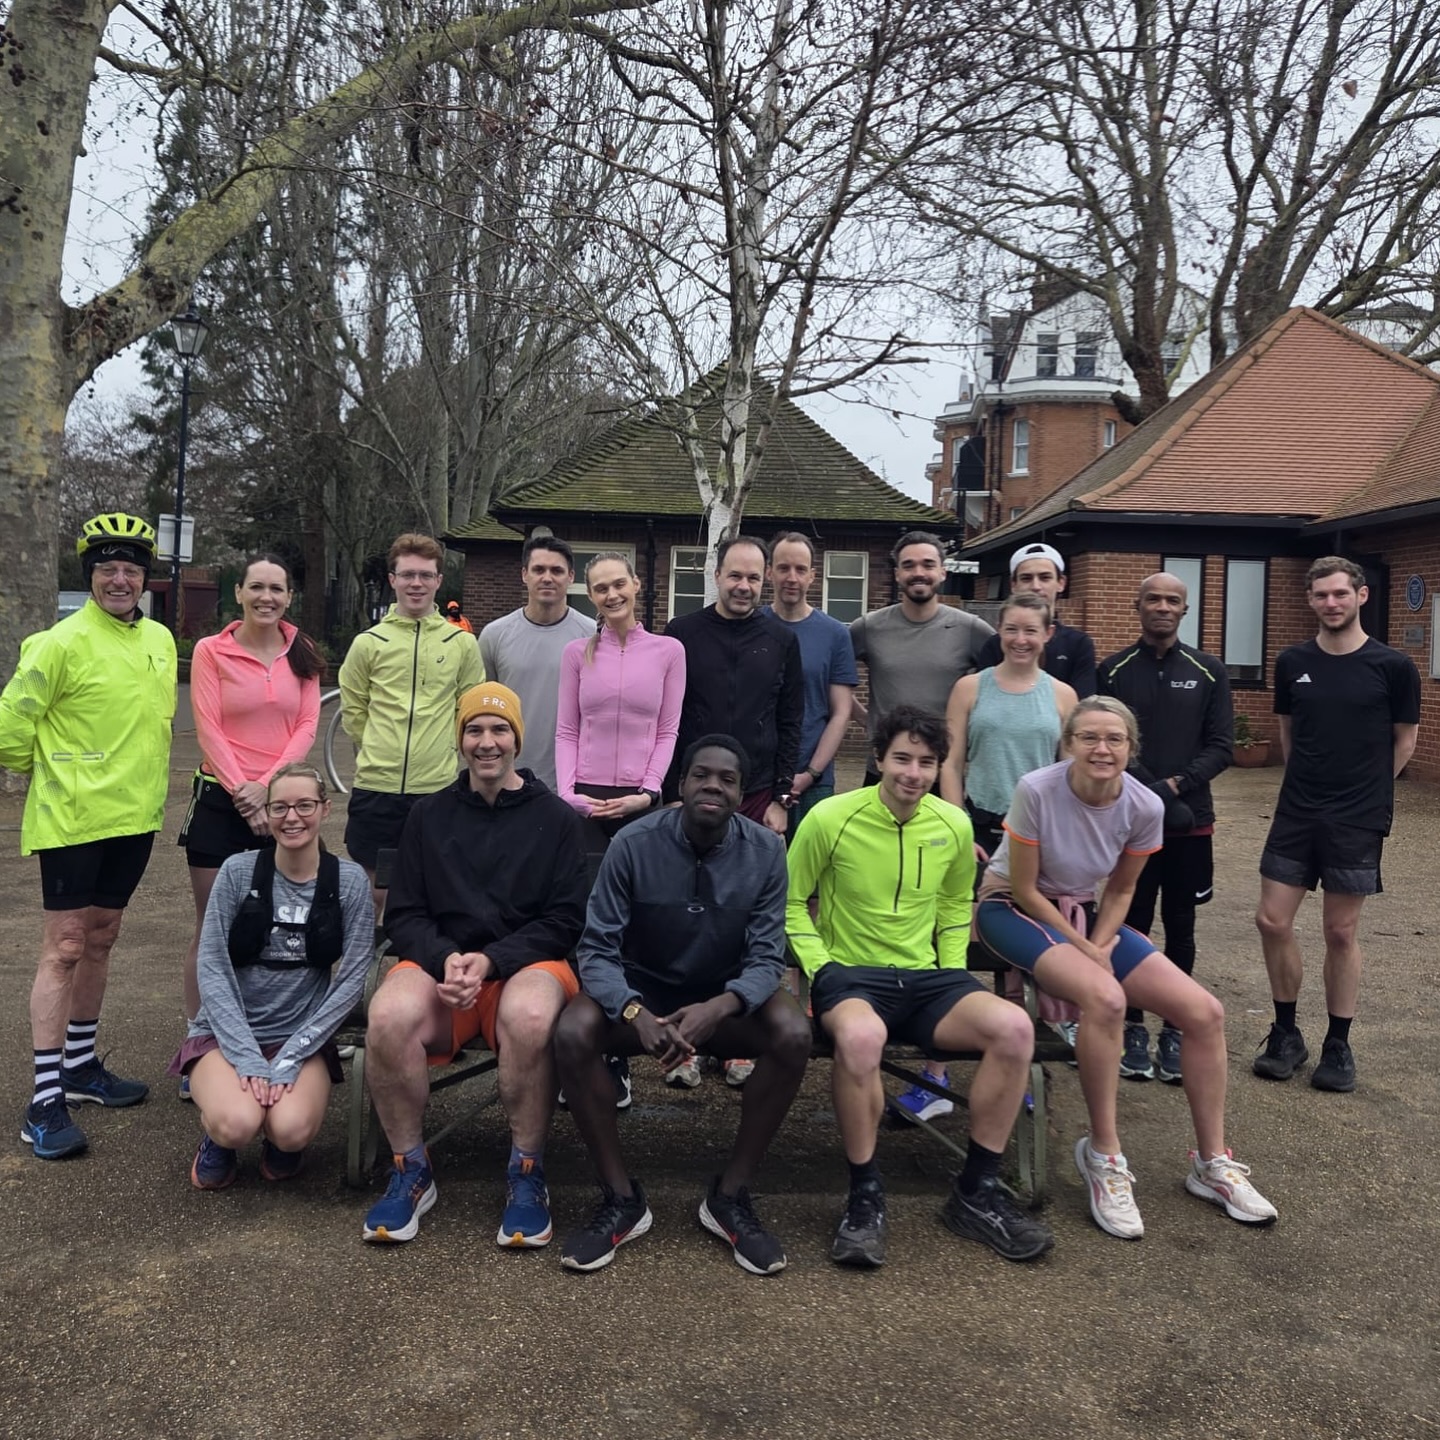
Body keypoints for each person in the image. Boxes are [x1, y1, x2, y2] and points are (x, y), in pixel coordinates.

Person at [975, 697, 1277, 1240]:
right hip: (1010, 909)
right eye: (1088, 737)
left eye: (1115, 739)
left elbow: (1120, 888)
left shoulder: (1144, 805)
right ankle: (1104, 1154)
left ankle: (1212, 1163)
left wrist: (1100, 940)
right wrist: (1086, 948)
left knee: (1204, 1012)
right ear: (1068, 743)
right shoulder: (1038, 789)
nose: (1102, 748)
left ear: (1131, 749)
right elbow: (1022, 888)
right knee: (1107, 998)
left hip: (1087, 914)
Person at [786, 705, 1053, 1266]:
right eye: (902, 758)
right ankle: (865, 1197)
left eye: (927, 762)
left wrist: (952, 968)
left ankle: (976, 1194)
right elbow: (789, 902)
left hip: (929, 979)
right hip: (852, 978)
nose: (913, 772)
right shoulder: (830, 817)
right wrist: (821, 967)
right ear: (879, 758)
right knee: (859, 1041)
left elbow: (957, 903)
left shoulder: (952, 824)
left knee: (1013, 1028)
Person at [555, 734, 810, 1275]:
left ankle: (732, 1196)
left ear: (743, 794)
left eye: (728, 779)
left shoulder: (766, 851)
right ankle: (621, 1198)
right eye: (701, 775)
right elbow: (596, 950)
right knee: (573, 1032)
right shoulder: (632, 843)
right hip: (641, 997)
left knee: (793, 1032)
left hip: (724, 1000)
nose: (713, 785)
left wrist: (720, 1007)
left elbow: (768, 958)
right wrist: (631, 1011)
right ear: (681, 783)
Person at [360, 683, 589, 1247]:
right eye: (474, 730)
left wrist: (491, 961)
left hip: (528, 966)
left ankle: (527, 1174)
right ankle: (410, 1168)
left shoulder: (557, 819)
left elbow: (565, 920)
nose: (487, 742)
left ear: (517, 739)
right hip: (445, 970)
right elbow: (406, 913)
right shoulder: (427, 816)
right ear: (460, 740)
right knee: (387, 1016)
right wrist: (447, 960)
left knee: (533, 1018)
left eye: (499, 729)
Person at [0, 513, 176, 1159]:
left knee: (103, 937)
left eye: (131, 569)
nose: (121, 579)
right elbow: (11, 723)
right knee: (65, 946)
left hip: (134, 816)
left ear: (143, 578)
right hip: (73, 818)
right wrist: (43, 775)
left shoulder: (159, 638)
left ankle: (80, 1068)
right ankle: (44, 1098)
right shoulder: (59, 641)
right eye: (108, 569)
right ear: (91, 577)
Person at [891, 593, 1075, 1123]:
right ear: (1000, 633)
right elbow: (950, 761)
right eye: (1011, 630)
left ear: (1048, 635)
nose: (1020, 640)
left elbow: (1064, 775)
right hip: (973, 827)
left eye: (1031, 631)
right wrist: (957, 825)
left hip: (1030, 838)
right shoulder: (971, 687)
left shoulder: (1062, 696)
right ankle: (936, 1076)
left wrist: (1045, 842)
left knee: (1017, 956)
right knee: (948, 942)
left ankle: (1012, 1069)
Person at [1253, 556, 1420, 1094]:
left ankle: (1338, 1044)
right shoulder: (1291, 661)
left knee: (1340, 931)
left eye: (1340, 594)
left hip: (1358, 817)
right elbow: (1289, 735)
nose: (1331, 603)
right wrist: (1309, 786)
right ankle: (1286, 1034)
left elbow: (1405, 740)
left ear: (1361, 596)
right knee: (1272, 920)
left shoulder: (1393, 666)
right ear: (1310, 600)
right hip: (1298, 810)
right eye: (1321, 595)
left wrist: (1369, 793)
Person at [176, 765, 371, 1189]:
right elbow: (211, 965)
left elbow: (352, 979)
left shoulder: (349, 882)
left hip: (299, 1035)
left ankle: (281, 1145)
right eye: (280, 807)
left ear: (325, 809)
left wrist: (294, 1053)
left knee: (290, 1129)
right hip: (226, 1034)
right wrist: (245, 1055)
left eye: (305, 805)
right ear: (267, 812)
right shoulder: (237, 872)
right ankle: (218, 1142)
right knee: (236, 1122)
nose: (292, 817)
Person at [179, 555, 324, 1094]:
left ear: (289, 596)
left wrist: (272, 785)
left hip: (285, 802)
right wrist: (246, 790)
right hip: (222, 799)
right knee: (212, 930)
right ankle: (200, 1041)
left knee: (286, 926)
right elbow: (208, 726)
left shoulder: (304, 651)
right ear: (238, 592)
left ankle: (277, 1037)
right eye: (257, 587)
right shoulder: (211, 650)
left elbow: (308, 722)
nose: (267, 597)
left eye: (278, 589)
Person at [555, 551, 687, 1107]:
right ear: (590, 595)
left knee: (636, 925)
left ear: (636, 585)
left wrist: (649, 792)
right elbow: (565, 728)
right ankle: (585, 1050)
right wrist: (570, 795)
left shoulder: (668, 651)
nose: (611, 595)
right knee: (587, 924)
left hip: (641, 801)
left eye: (619, 584)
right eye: (600, 588)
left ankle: (623, 1052)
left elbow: (668, 727)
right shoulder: (576, 653)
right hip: (586, 799)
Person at [1099, 572, 1233, 1085]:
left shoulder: (1208, 670)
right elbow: (1106, 743)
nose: (1162, 606)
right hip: (1127, 824)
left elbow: (1221, 744)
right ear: (1138, 607)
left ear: (1185, 609)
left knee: (1181, 924)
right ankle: (1131, 1024)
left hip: (1189, 823)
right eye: (1153, 599)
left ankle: (1175, 1027)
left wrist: (1175, 787)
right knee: (1128, 923)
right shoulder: (1113, 671)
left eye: (1172, 600)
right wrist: (1144, 787)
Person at [338, 533, 483, 908]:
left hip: (436, 788)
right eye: (407, 575)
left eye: (425, 575)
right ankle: (371, 967)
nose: (416, 583)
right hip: (377, 785)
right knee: (376, 893)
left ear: (438, 580)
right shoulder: (368, 643)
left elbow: (467, 709)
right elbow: (355, 709)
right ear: (392, 580)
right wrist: (376, 745)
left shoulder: (461, 644)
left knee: (435, 891)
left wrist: (444, 749)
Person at [849, 530, 992, 786]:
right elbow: (826, 677)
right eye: (908, 565)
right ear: (897, 575)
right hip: (883, 768)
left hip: (942, 771)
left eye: (928, 564)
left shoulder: (971, 629)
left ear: (943, 572)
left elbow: (1009, 678)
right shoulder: (869, 627)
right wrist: (867, 720)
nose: (918, 572)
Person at [478, 535, 593, 793]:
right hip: (507, 777)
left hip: (571, 781)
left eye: (557, 570)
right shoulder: (494, 636)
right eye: (539, 569)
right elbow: (482, 711)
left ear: (571, 577)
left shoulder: (592, 637)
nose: (547, 578)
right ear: (524, 574)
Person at [761, 532, 858, 833]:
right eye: (783, 568)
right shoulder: (751, 626)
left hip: (813, 779)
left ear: (813, 576)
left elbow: (840, 712)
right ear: (768, 573)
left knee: (810, 873)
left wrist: (811, 773)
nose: (792, 577)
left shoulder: (834, 634)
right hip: (758, 777)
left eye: (800, 569)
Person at [976, 543, 1096, 697]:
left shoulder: (1078, 645)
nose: (1036, 586)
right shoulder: (996, 644)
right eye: (1026, 578)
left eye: (1045, 577)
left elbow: (1082, 706)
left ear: (1061, 583)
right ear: (1013, 585)